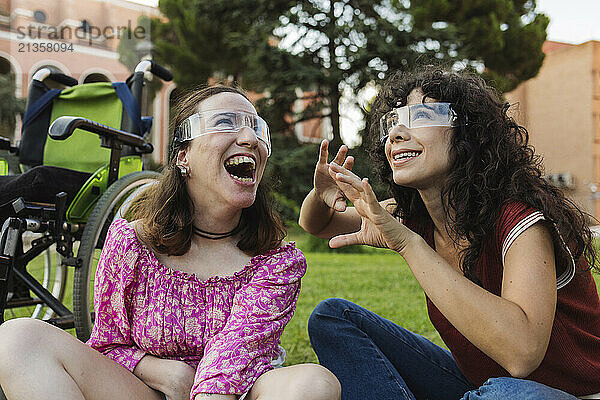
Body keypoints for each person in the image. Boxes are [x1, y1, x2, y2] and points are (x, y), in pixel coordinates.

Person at [0, 85, 340, 400]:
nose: (250, 138)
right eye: (225, 122)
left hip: (242, 392)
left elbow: (235, 353)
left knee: (314, 384)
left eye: (257, 128)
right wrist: (161, 371)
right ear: (183, 157)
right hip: (143, 390)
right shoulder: (132, 243)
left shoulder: (277, 262)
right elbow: (107, 345)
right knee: (15, 339)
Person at [298, 67, 600, 400]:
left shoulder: (520, 218)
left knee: (506, 392)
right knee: (333, 317)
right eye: (394, 122)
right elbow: (318, 224)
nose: (397, 132)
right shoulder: (416, 217)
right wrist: (322, 193)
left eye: (422, 116)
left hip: (564, 394)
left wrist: (409, 244)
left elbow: (522, 354)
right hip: (482, 387)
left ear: (467, 134)